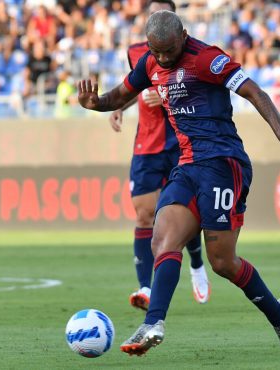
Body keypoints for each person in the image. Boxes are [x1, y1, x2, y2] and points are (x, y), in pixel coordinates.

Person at [78, 10, 280, 356]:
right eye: (158, 52)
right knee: (163, 236)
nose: (164, 59)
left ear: (183, 35)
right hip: (187, 165)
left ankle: (279, 315)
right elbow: (120, 95)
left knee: (223, 262)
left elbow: (254, 92)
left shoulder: (207, 59)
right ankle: (153, 322)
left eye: (169, 51)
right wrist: (96, 104)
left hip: (223, 164)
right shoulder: (150, 63)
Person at [107, 0, 211, 312]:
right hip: (148, 143)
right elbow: (135, 87)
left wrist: (167, 94)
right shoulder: (137, 51)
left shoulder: (192, 53)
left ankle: (195, 262)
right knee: (144, 214)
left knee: (183, 211)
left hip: (181, 141)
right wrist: (118, 107)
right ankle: (145, 287)